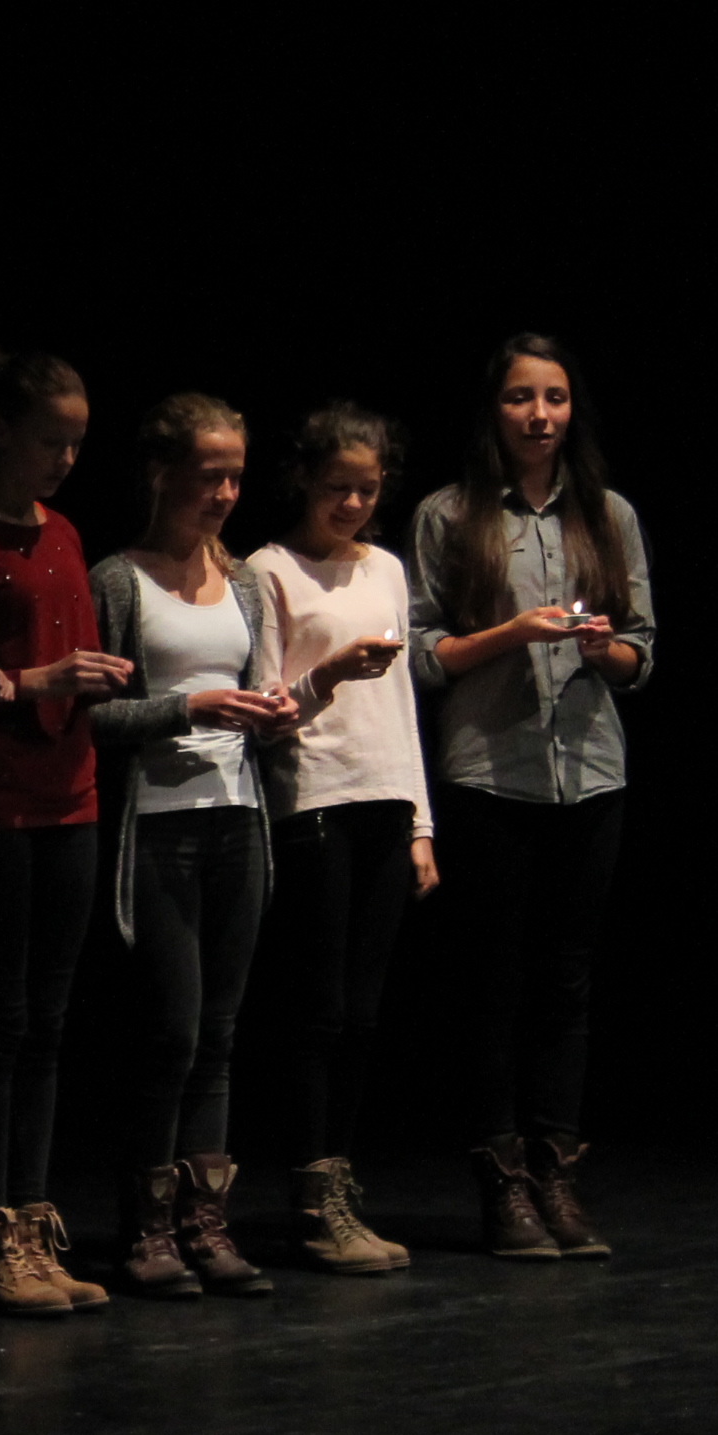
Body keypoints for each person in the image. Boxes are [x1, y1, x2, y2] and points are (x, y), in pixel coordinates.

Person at [408, 334, 654, 1260]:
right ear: (494, 410)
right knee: (494, 982)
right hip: (491, 773)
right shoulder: (449, 514)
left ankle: (557, 1171)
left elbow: (642, 652)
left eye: (554, 397)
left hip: (589, 771)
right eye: (521, 397)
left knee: (566, 982)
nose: (540, 415)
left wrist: (604, 649)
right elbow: (422, 655)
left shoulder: (609, 515)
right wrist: (512, 634)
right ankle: (502, 1179)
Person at [0, 351, 130, 1317]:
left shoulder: (68, 533)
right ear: (2, 431)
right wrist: (32, 683)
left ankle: (34, 1225)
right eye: (52, 439)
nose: (66, 458)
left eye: (78, 442)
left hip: (70, 792)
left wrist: (92, 676)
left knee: (47, 1021)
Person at [87, 396, 296, 1299]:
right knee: (169, 1032)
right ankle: (146, 1227)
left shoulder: (244, 581)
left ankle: (206, 1223)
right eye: (209, 475)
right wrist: (189, 706)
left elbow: (263, 689)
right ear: (161, 473)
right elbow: (92, 716)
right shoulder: (118, 580)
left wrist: (277, 710)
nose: (224, 493)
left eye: (235, 477)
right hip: (159, 825)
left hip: (237, 817)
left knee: (219, 1033)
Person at [244, 405, 434, 1274]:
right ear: (303, 481)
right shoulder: (269, 570)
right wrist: (325, 675)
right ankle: (312, 1198)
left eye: (367, 489)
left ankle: (341, 1187)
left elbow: (404, 707)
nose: (353, 504)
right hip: (315, 799)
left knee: (363, 1014)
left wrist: (422, 822)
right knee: (317, 1011)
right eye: (336, 488)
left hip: (386, 801)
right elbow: (265, 709)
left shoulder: (387, 568)